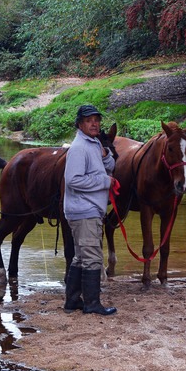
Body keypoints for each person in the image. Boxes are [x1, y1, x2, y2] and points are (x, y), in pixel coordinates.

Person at [62, 104, 118, 316]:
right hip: (84, 211)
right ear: (80, 124)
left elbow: (110, 163)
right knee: (93, 257)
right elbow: (73, 179)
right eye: (88, 120)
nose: (94, 123)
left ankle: (72, 301)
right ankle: (92, 304)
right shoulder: (79, 148)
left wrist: (104, 156)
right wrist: (105, 181)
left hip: (86, 209)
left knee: (80, 257)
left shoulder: (93, 143)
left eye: (96, 119)